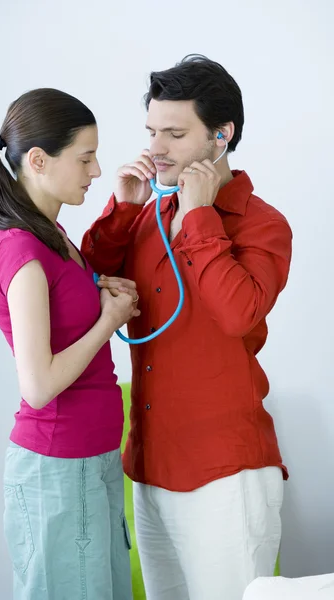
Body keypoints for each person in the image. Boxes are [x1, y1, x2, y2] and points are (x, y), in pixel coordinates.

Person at [81, 55, 293, 600]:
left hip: (225, 474)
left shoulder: (262, 223)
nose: (156, 148)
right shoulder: (148, 214)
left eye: (175, 134)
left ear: (221, 136)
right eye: (152, 131)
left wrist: (199, 219)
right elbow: (90, 285)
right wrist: (124, 210)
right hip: (152, 468)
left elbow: (239, 312)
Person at [0, 88, 139, 600]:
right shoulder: (21, 249)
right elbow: (39, 384)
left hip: (92, 460)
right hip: (58, 467)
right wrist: (106, 319)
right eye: (85, 158)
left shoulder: (53, 236)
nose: (95, 172)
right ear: (40, 161)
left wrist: (106, 296)